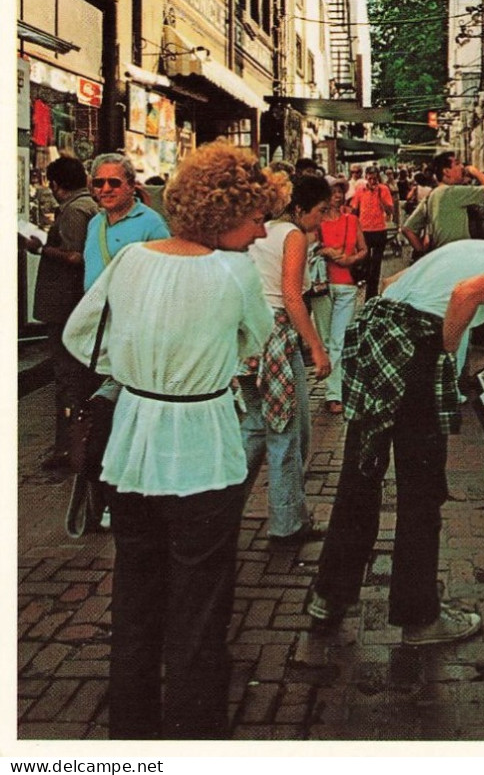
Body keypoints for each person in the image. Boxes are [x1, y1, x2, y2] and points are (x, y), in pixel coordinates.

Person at [62, 141, 279, 739]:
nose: (262, 232)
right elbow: (256, 343)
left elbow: (82, 336)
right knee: (200, 605)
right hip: (204, 447)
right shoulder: (233, 272)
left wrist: (137, 370)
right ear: (226, 212)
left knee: (135, 595)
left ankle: (131, 733)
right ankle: (194, 732)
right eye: (257, 216)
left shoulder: (131, 261)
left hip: (132, 443)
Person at [307, 224, 484, 646]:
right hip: (417, 359)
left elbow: (390, 282)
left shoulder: (475, 248)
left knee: (360, 475)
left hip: (379, 346)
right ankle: (419, 617)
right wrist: (444, 350)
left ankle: (329, 596)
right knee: (422, 490)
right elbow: (465, 296)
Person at [238, 174, 332, 542]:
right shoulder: (292, 236)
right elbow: (292, 298)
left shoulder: (259, 231)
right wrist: (317, 346)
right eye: (321, 211)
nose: (322, 219)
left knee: (256, 427)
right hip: (277, 337)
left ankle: (224, 508)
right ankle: (287, 522)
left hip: (249, 334)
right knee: (284, 433)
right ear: (299, 208)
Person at [19, 157, 99, 468]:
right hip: (76, 303)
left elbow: (75, 256)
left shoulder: (74, 210)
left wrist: (38, 248)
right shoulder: (88, 206)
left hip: (65, 305)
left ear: (55, 184)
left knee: (67, 377)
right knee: (78, 374)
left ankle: (67, 447)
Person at [312, 176, 368, 414]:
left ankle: (334, 393)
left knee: (338, 340)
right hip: (320, 285)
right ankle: (333, 388)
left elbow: (364, 249)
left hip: (346, 285)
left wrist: (349, 259)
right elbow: (309, 250)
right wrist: (326, 251)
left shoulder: (351, 220)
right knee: (326, 339)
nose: (337, 195)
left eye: (339, 191)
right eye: (332, 191)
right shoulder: (315, 222)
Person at [83, 153, 170, 289]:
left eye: (114, 182)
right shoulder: (95, 223)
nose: (106, 189)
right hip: (96, 309)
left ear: (131, 185)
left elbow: (165, 276)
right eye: (99, 183)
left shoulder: (152, 224)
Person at [400, 152, 484, 256]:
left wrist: (424, 254)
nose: (462, 167)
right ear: (446, 171)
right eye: (457, 163)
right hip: (458, 256)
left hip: (440, 257)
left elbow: (407, 229)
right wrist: (473, 170)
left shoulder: (431, 196)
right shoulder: (452, 192)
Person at [350, 166, 394, 299]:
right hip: (364, 231)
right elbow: (354, 209)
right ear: (366, 178)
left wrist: (380, 197)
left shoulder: (384, 189)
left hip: (379, 230)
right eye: (369, 178)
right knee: (366, 262)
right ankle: (367, 287)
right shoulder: (360, 190)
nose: (372, 181)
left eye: (374, 178)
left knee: (376, 264)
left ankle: (371, 294)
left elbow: (390, 209)